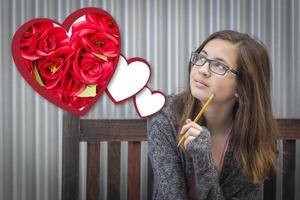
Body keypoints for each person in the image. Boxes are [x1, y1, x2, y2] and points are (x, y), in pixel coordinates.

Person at [147, 30, 280, 200]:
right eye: (201, 58)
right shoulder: (164, 116)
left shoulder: (252, 136)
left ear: (242, 85)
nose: (202, 70)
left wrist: (203, 159)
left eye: (219, 66)